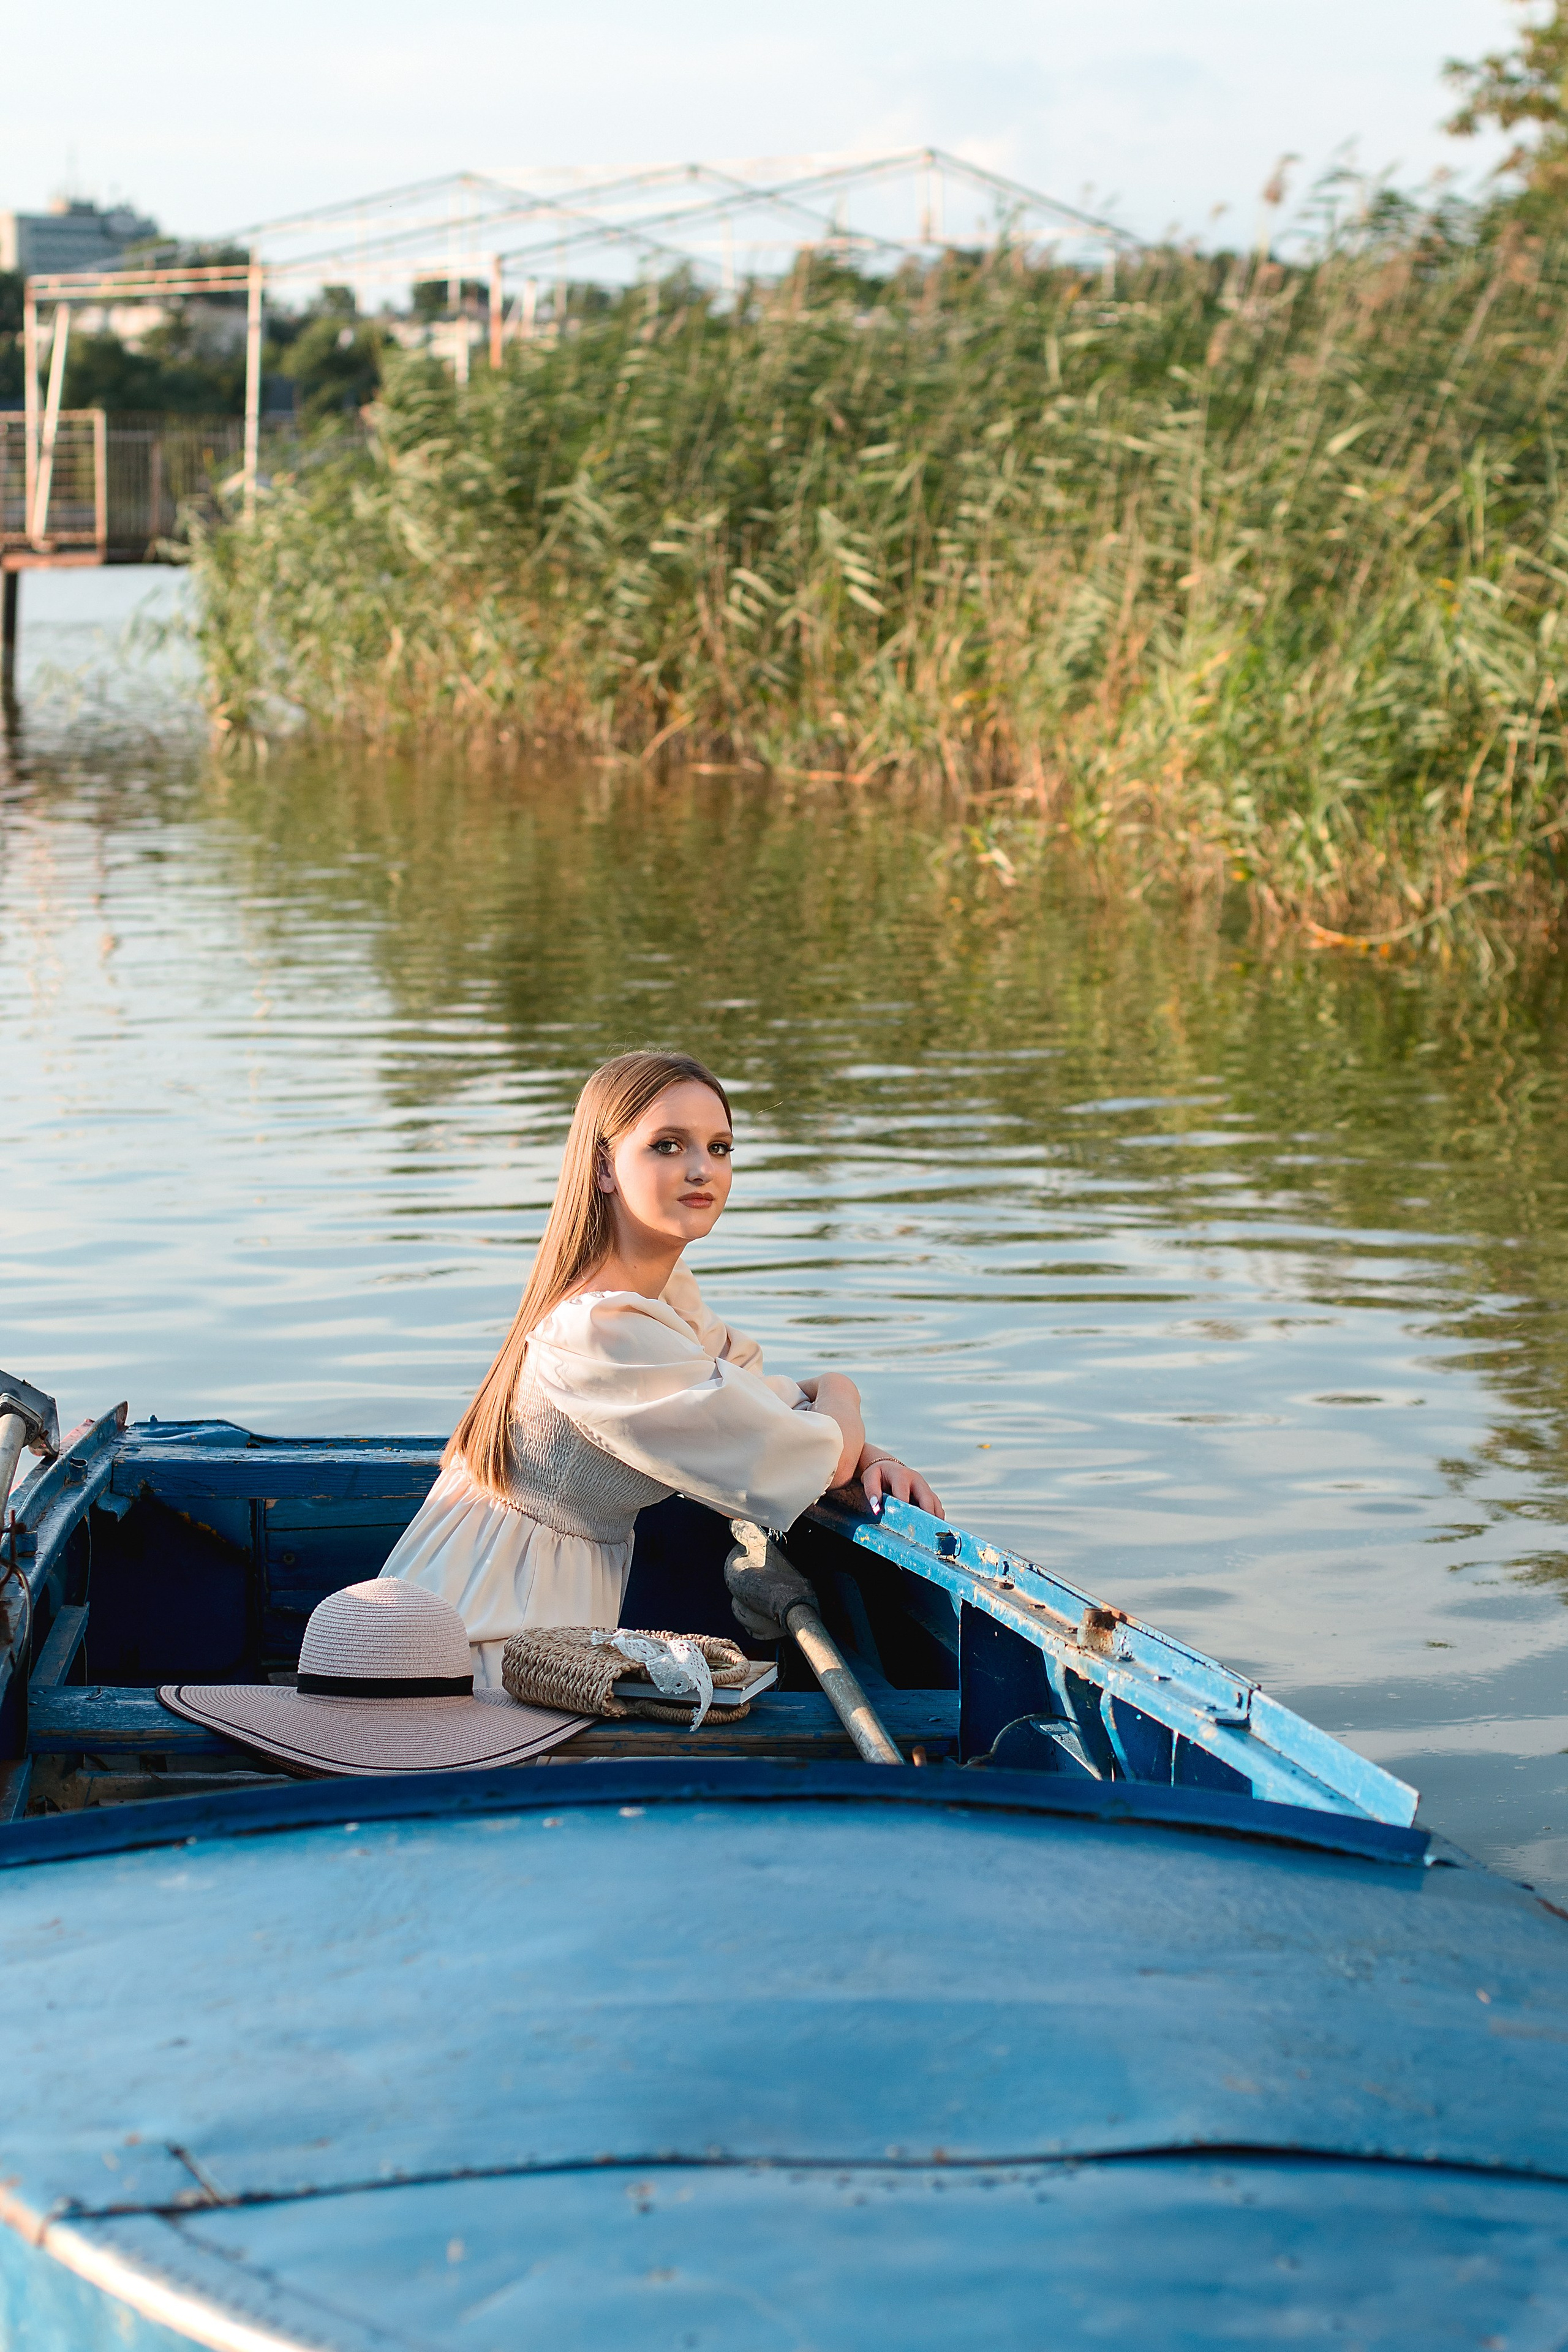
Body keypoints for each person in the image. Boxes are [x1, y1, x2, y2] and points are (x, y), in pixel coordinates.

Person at [380, 1049, 943, 1687]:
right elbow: (811, 1456)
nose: (702, 1169)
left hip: (531, 1611)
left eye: (719, 1148)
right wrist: (842, 1388)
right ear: (603, 1167)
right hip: (489, 1631)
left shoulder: (658, 1298)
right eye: (668, 1146)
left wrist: (871, 1455)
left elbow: (755, 1406)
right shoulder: (603, 1329)